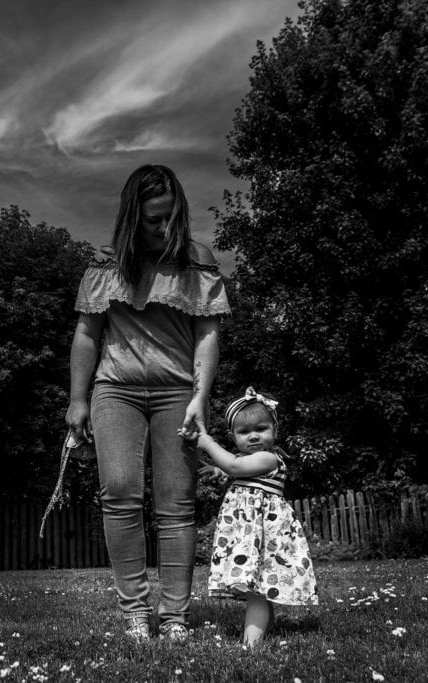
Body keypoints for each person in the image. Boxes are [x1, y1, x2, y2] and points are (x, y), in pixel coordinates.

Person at [66, 164, 231, 643]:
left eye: (170, 217)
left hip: (178, 392)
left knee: (176, 505)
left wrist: (200, 398)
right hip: (114, 389)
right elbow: (85, 334)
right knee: (119, 492)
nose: (164, 228)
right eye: (153, 219)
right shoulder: (106, 263)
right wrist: (77, 399)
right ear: (131, 217)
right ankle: (136, 613)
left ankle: (175, 617)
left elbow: (207, 335)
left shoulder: (196, 258)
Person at [189, 387, 318, 646]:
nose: (254, 436)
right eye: (244, 432)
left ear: (275, 430)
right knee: (259, 590)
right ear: (233, 436)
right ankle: (266, 632)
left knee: (256, 593)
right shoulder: (252, 461)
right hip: (253, 535)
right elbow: (237, 470)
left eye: (261, 429)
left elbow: (235, 467)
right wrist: (221, 471)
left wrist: (208, 444)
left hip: (261, 536)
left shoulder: (269, 458)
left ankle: (250, 646)